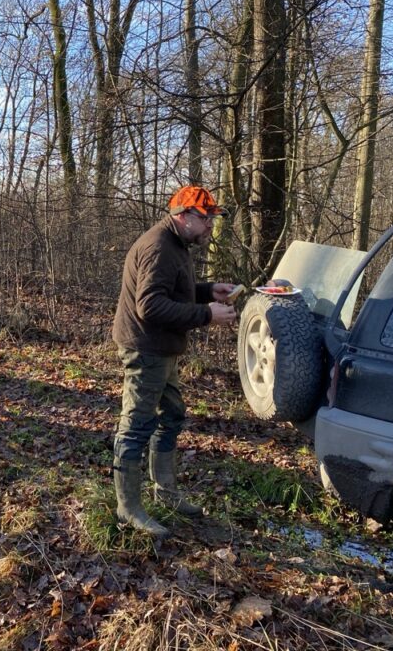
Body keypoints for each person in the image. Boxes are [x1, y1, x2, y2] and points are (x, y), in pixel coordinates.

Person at [111, 185, 239, 536]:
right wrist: (206, 314)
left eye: (212, 218)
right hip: (145, 349)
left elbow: (173, 290)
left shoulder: (178, 243)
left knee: (172, 416)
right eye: (205, 218)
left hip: (163, 348)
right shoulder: (158, 246)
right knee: (137, 425)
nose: (210, 225)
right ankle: (127, 509)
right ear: (183, 216)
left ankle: (165, 494)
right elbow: (150, 306)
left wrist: (208, 290)